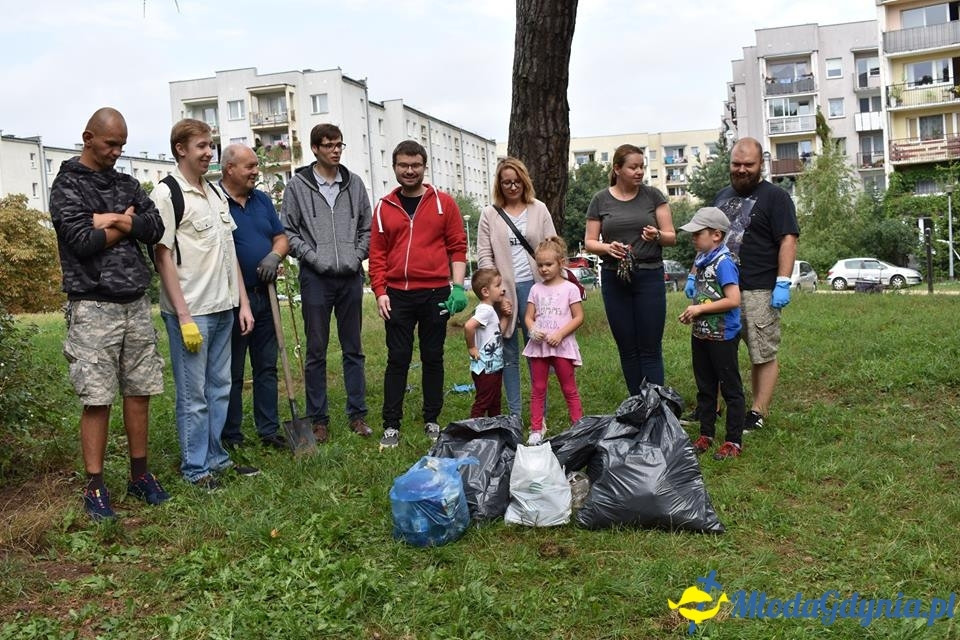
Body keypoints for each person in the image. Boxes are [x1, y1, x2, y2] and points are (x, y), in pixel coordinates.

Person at [49, 107, 169, 520]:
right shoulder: (67, 185)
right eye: (110, 144)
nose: (117, 151)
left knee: (139, 392)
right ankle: (95, 486)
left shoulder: (126, 182)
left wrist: (112, 220)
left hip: (135, 302)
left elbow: (155, 227)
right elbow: (81, 241)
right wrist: (127, 221)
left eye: (122, 144)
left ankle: (140, 476)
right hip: (93, 304)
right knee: (97, 397)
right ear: (88, 137)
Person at [152, 119, 258, 490]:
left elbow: (229, 252)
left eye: (211, 146)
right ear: (181, 149)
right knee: (193, 394)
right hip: (192, 311)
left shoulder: (214, 194)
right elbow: (161, 255)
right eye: (201, 146)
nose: (209, 152)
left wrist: (242, 303)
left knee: (220, 389)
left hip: (223, 307)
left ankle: (216, 458)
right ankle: (196, 469)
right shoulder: (167, 194)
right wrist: (183, 317)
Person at [370, 140, 467, 449]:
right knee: (397, 358)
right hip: (397, 294)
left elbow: (457, 246)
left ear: (425, 167)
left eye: (415, 165)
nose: (409, 171)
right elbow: (377, 254)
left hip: (435, 291)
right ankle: (391, 425)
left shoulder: (444, 203)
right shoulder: (385, 206)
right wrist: (380, 291)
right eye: (403, 165)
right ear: (395, 167)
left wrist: (459, 285)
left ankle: (431, 419)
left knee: (432, 356)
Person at [281, 123, 372, 443]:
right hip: (315, 279)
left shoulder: (355, 184)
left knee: (354, 349)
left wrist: (356, 256)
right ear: (315, 149)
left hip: (349, 277)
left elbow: (367, 228)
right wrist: (314, 258)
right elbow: (288, 232)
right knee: (316, 351)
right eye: (329, 145)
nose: (336, 150)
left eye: (339, 144)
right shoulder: (297, 187)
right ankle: (319, 420)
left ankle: (357, 415)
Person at [712, 137, 799, 432]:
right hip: (721, 289)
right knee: (719, 351)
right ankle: (713, 406)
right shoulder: (721, 196)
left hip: (758, 288)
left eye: (748, 164)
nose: (741, 169)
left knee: (761, 351)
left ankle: (757, 411)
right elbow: (709, 240)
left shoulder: (777, 197)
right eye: (736, 164)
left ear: (761, 164)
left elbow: (788, 238)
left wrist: (783, 282)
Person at [584, 144, 676, 393]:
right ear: (617, 169)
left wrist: (657, 234)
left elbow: (671, 236)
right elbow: (589, 242)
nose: (639, 172)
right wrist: (606, 248)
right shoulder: (600, 200)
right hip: (615, 278)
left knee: (650, 347)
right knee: (627, 347)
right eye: (633, 167)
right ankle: (638, 404)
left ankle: (656, 408)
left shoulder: (653, 196)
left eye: (642, 167)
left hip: (649, 275)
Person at [219, 144, 289, 450]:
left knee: (266, 366)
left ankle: (269, 430)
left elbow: (281, 236)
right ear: (230, 169)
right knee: (232, 371)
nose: (255, 171)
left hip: (266, 296)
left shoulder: (261, 200)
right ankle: (231, 435)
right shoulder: (216, 201)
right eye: (249, 166)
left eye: (256, 165)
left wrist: (275, 256)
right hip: (232, 300)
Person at [476, 157, 557, 421]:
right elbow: (485, 256)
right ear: (499, 185)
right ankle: (514, 415)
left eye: (516, 181)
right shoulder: (489, 214)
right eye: (506, 182)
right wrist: (496, 294)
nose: (512, 187)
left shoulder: (539, 209)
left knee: (537, 352)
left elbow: (552, 248)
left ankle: (538, 415)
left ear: (524, 181)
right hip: (504, 291)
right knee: (508, 354)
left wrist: (557, 287)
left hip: (537, 289)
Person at [678, 207, 745, 461]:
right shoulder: (702, 260)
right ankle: (706, 434)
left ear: (716, 235)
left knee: (730, 389)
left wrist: (699, 308)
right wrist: (693, 313)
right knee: (705, 387)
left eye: (698, 233)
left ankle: (733, 441)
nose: (693, 238)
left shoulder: (724, 262)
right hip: (702, 335)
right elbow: (705, 297)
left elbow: (733, 299)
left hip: (723, 336)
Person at [522, 236, 584, 445]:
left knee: (569, 388)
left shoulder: (570, 288)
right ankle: (536, 429)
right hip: (539, 348)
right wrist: (533, 329)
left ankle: (578, 426)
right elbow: (528, 317)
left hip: (562, 347)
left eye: (548, 264)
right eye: (540, 265)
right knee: (538, 388)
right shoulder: (535, 289)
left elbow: (578, 317)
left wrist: (560, 334)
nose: (544, 269)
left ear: (561, 263)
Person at [464, 268, 512, 418]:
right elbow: (468, 326)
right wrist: (472, 347)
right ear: (485, 291)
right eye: (497, 286)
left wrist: (506, 317)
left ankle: (493, 428)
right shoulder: (486, 310)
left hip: (494, 366)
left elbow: (499, 333)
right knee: (484, 401)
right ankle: (473, 430)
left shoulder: (489, 310)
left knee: (495, 401)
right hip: (485, 367)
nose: (502, 290)